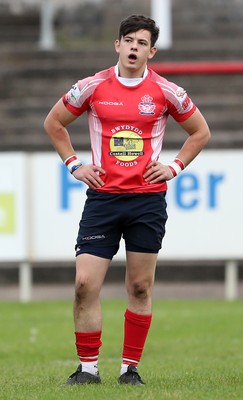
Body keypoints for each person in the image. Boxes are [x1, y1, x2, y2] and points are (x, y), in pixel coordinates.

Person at [44, 14, 211, 386]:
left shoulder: (166, 92)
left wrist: (175, 167)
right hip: (102, 200)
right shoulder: (91, 86)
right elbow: (54, 123)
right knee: (84, 284)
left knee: (139, 286)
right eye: (128, 40)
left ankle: (129, 369)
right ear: (117, 45)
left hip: (147, 201)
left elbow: (200, 132)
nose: (134, 47)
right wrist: (74, 165)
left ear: (151, 51)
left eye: (141, 42)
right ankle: (87, 369)